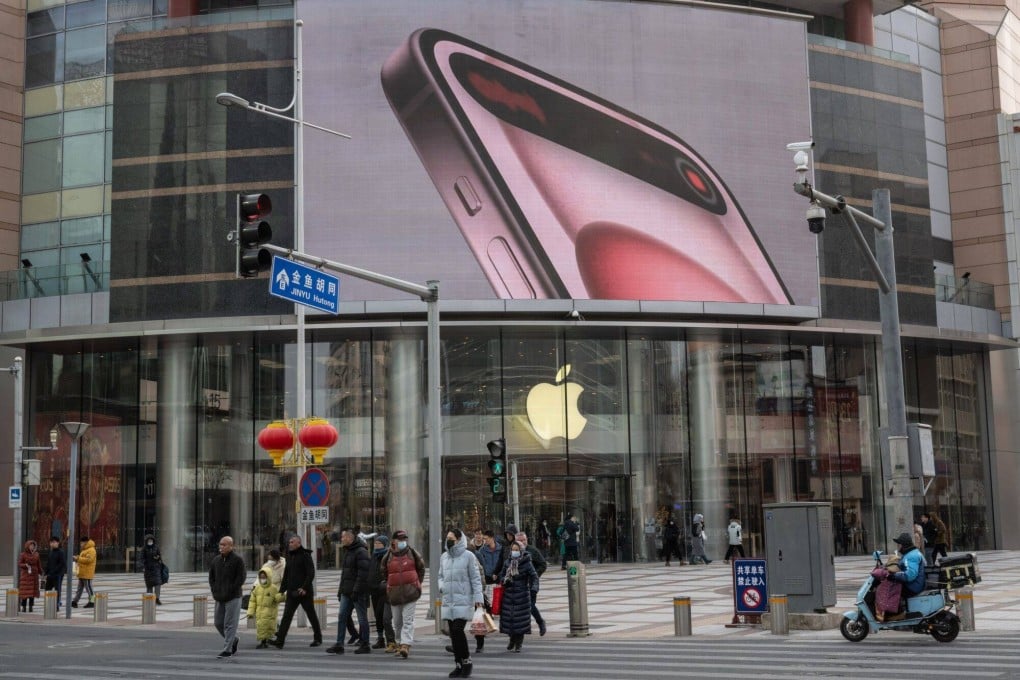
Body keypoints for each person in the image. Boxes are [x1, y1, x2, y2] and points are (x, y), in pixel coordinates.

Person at [440, 528, 483, 678]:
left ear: (459, 539)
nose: (448, 540)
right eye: (447, 537)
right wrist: (442, 586)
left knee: (458, 630)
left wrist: (479, 599)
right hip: (449, 600)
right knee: (453, 634)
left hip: (463, 600)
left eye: (451, 537)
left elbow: (475, 579)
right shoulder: (444, 557)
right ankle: (458, 663)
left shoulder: (468, 556)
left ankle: (467, 661)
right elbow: (440, 575)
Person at [270, 533, 323, 648]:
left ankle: (318, 638)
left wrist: (304, 587)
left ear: (299, 543)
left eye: (292, 542)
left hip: (304, 592)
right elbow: (286, 575)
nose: (290, 544)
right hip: (292, 591)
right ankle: (280, 641)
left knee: (311, 615)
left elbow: (311, 573)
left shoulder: (305, 555)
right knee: (286, 616)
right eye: (289, 542)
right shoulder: (290, 555)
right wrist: (281, 590)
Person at [328, 528, 371, 655]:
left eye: (343, 537)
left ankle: (365, 644)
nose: (342, 539)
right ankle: (339, 644)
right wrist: (340, 591)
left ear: (350, 538)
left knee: (362, 618)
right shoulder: (348, 551)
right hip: (346, 591)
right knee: (342, 616)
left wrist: (356, 591)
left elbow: (363, 574)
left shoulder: (361, 551)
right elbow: (345, 574)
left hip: (358, 592)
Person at [383, 529, 425, 659]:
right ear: (394, 541)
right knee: (397, 622)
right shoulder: (388, 556)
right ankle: (399, 643)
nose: (403, 542)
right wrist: (389, 585)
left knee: (408, 621)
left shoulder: (412, 553)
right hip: (394, 594)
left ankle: (405, 645)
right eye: (400, 539)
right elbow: (383, 572)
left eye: (404, 539)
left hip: (410, 593)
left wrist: (416, 584)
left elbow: (421, 568)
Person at [208, 535, 246, 659]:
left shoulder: (238, 560)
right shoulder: (216, 560)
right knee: (218, 623)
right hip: (219, 597)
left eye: (224, 545)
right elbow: (211, 577)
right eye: (220, 544)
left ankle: (227, 650)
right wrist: (214, 590)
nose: (221, 547)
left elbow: (241, 578)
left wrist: (231, 589)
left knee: (230, 624)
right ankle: (233, 640)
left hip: (233, 597)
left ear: (231, 546)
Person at [498, 539, 538, 653]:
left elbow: (534, 576)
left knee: (520, 622)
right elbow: (502, 576)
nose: (514, 552)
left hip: (522, 595)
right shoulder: (507, 562)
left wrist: (534, 588)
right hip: (509, 595)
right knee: (509, 620)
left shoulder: (526, 563)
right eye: (513, 550)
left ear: (521, 551)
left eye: (517, 550)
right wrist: (504, 580)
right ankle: (512, 639)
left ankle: (518, 643)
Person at [515, 531, 547, 636]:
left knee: (530, 605)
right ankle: (523, 629)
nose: (522, 542)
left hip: (531, 583)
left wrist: (534, 575)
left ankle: (540, 622)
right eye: (519, 540)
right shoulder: (514, 552)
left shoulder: (532, 551)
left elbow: (543, 564)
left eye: (524, 540)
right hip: (518, 584)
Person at [367, 534, 396, 651]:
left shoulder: (388, 556)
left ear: (385, 544)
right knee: (377, 616)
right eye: (375, 543)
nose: (376, 545)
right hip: (374, 590)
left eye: (379, 544)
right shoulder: (373, 556)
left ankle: (391, 640)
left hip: (385, 591)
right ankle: (380, 639)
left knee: (384, 617)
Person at [248, 565, 283, 648]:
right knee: (261, 626)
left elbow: (278, 598)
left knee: (268, 627)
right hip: (260, 612)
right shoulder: (257, 588)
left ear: (269, 577)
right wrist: (250, 612)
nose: (262, 579)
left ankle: (265, 641)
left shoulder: (273, 588)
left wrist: (282, 596)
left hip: (270, 612)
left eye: (264, 577)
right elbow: (252, 601)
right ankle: (264, 641)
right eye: (261, 577)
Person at [891, 531, 926, 596]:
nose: (897, 546)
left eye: (898, 544)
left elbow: (910, 575)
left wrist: (894, 575)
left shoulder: (911, 556)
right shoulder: (911, 553)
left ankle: (890, 606)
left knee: (889, 590)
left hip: (913, 587)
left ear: (902, 545)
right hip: (914, 584)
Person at [71, 536, 97, 608]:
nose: (80, 544)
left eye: (81, 543)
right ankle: (75, 601)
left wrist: (78, 558)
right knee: (79, 589)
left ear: (85, 542)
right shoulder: (85, 550)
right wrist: (78, 558)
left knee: (89, 588)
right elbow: (84, 559)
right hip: (82, 572)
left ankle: (92, 601)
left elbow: (89, 560)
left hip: (87, 573)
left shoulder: (91, 550)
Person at [139, 533, 164, 605]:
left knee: (157, 584)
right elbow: (141, 558)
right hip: (148, 569)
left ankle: (157, 598)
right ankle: (149, 599)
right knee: (149, 585)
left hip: (156, 569)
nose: (150, 542)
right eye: (149, 540)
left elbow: (160, 556)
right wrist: (143, 566)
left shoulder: (156, 547)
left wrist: (158, 558)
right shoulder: (144, 549)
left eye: (151, 540)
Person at [18, 540, 41, 613]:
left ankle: (31, 607)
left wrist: (41, 572)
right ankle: (23, 607)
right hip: (26, 575)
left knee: (32, 593)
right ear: (27, 546)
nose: (32, 547)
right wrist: (25, 565)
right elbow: (19, 564)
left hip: (34, 575)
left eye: (33, 546)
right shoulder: (23, 554)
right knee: (25, 592)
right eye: (31, 545)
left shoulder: (36, 554)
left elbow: (38, 564)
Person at [45, 536, 66, 609]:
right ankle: (48, 604)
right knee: (47, 589)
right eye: (51, 542)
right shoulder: (51, 552)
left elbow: (62, 563)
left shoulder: (61, 552)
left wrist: (55, 571)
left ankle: (57, 605)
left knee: (57, 590)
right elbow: (48, 563)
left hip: (58, 575)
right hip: (50, 575)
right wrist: (45, 572)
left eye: (54, 542)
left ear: (58, 543)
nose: (52, 544)